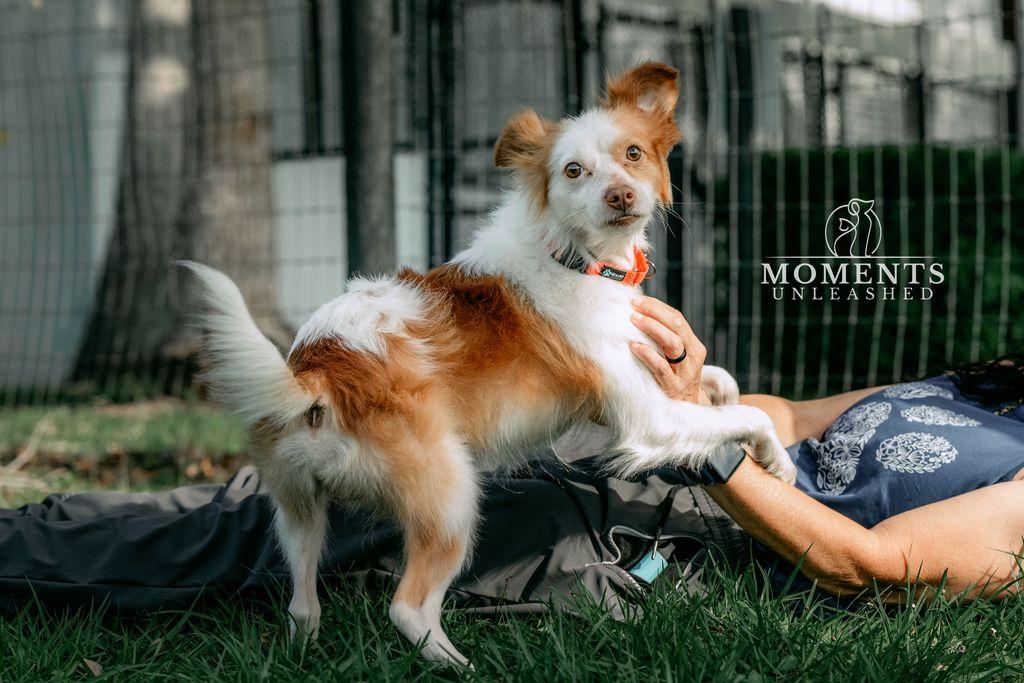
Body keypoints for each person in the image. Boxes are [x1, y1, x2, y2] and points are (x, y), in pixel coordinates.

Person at [1, 299, 1021, 613]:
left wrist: (704, 458)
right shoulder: (977, 387)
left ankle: (32, 560)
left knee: (300, 549)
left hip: (674, 546)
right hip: (653, 478)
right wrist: (689, 387)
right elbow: (789, 417)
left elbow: (873, 564)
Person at [627, 295, 1024, 601]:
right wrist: (675, 396)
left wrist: (700, 436)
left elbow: (867, 564)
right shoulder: (999, 382)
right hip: (687, 464)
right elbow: (793, 418)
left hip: (711, 541)